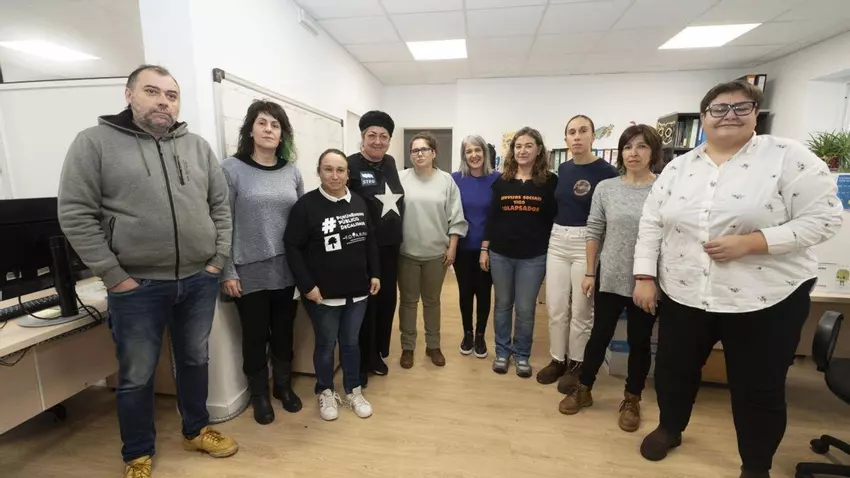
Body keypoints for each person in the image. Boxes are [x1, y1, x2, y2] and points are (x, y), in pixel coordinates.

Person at [632, 80, 842, 478]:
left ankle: (756, 465)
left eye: (740, 107)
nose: (729, 115)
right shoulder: (679, 168)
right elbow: (651, 223)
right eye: (719, 108)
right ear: (704, 117)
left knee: (758, 387)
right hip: (685, 292)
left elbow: (824, 219)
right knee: (674, 370)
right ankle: (670, 428)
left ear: (756, 114)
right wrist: (644, 274)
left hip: (764, 298)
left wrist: (754, 242)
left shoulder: (788, 157)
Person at [57, 65, 238, 477]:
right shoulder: (94, 143)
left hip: (198, 279)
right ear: (129, 95)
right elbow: (75, 214)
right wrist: (113, 275)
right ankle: (137, 453)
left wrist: (217, 259)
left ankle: (196, 430)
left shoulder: (196, 146)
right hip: (136, 285)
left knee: (194, 359)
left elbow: (220, 207)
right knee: (137, 374)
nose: (163, 102)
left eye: (171, 95)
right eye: (152, 92)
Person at [558, 124, 661, 433]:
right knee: (599, 335)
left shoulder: (664, 188)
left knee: (639, 341)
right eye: (628, 147)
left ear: (653, 152)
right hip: (610, 276)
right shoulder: (607, 188)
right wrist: (590, 272)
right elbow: (594, 230)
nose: (634, 153)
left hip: (646, 281)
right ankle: (584, 388)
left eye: (642, 146)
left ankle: (631, 399)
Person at [219, 100, 303, 425]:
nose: (269, 130)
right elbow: (222, 222)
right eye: (262, 123)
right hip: (248, 271)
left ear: (283, 134)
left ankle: (282, 386)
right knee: (255, 336)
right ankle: (259, 396)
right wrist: (227, 270)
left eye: (275, 125)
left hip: (286, 270)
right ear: (250, 130)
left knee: (283, 332)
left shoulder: (291, 171)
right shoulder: (231, 169)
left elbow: (301, 224)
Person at [284, 149, 380, 421]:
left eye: (340, 170)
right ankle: (325, 390)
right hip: (323, 296)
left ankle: (353, 390)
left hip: (358, 292)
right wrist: (307, 286)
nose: (335, 176)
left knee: (351, 343)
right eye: (328, 169)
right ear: (319, 172)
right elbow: (292, 247)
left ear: (348, 174)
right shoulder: (305, 206)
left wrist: (375, 273)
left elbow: (370, 242)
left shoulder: (359, 202)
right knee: (326, 345)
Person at [536, 115, 618, 392]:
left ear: (593, 136)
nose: (577, 136)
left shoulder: (607, 172)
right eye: (572, 132)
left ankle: (576, 364)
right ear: (566, 139)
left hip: (587, 242)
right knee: (556, 306)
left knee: (582, 309)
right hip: (558, 240)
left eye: (583, 131)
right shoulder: (564, 168)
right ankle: (557, 359)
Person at [483, 127, 558, 378]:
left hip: (534, 257)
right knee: (503, 305)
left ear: (539, 150)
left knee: (525, 309)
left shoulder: (550, 182)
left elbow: (554, 219)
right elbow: (492, 218)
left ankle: (522, 354)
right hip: (501, 254)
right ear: (512, 151)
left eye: (528, 146)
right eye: (518, 146)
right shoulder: (501, 182)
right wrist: (485, 249)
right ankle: (502, 352)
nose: (522, 150)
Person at [397, 132, 468, 368]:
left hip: (436, 254)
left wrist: (452, 248)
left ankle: (433, 345)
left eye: (424, 149)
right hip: (407, 253)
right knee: (408, 302)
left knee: (432, 301)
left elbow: (456, 217)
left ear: (434, 153)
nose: (419, 154)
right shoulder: (400, 178)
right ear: (410, 155)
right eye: (414, 150)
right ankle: (408, 347)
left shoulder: (446, 180)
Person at [347, 111, 404, 384]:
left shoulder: (390, 163)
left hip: (390, 247)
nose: (378, 141)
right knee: (365, 304)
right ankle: (361, 359)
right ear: (362, 137)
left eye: (383, 136)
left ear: (389, 140)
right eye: (372, 135)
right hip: (363, 248)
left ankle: (378, 353)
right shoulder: (350, 165)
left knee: (386, 302)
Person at [451, 135, 499, 358]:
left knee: (484, 293)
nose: (474, 155)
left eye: (477, 150)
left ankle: (480, 335)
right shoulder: (455, 179)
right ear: (464, 155)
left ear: (485, 152)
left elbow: (497, 216)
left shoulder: (497, 179)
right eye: (469, 151)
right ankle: (467, 333)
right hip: (463, 248)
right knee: (465, 292)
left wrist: (486, 249)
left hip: (487, 249)